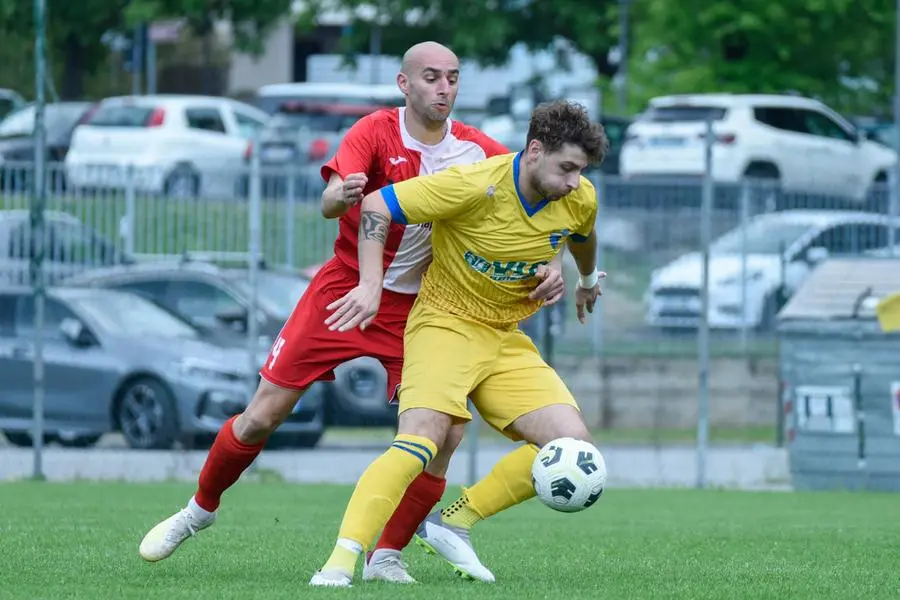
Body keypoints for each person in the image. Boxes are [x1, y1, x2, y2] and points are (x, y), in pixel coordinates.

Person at [137, 41, 567, 584]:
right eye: (432, 77)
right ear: (403, 83)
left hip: (419, 308)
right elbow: (333, 200)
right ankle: (198, 510)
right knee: (263, 413)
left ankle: (385, 554)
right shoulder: (373, 132)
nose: (444, 88)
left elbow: (534, 205)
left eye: (453, 78)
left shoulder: (481, 151)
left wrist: (551, 263)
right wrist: (342, 196)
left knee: (443, 436)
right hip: (344, 289)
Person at [311, 99, 609, 587]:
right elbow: (375, 206)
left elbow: (582, 230)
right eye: (568, 168)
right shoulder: (475, 184)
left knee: (575, 446)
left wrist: (586, 276)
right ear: (534, 151)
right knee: (420, 441)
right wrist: (369, 283)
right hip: (444, 325)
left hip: (504, 337)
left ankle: (454, 521)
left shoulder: (578, 197)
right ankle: (340, 561)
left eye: (582, 170)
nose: (576, 181)